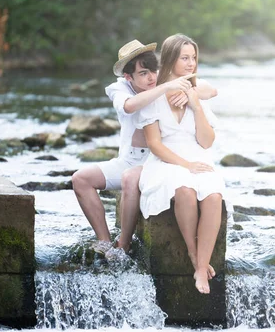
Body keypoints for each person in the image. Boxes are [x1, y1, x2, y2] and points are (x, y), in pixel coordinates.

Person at [72, 39, 217, 255]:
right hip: (130, 158)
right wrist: (165, 88)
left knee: (130, 178)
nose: (151, 78)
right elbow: (129, 106)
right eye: (142, 74)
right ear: (128, 77)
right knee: (80, 179)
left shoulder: (164, 79)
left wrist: (187, 93)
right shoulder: (119, 88)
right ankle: (104, 242)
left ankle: (124, 244)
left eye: (152, 71)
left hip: (157, 159)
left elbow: (210, 89)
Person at [133, 33, 232, 294]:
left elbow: (207, 141)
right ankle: (191, 250)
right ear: (170, 59)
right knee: (184, 190)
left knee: (213, 194)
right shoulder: (154, 96)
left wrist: (196, 105)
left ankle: (201, 267)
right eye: (184, 58)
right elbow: (154, 144)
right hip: (165, 161)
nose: (191, 63)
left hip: (198, 156)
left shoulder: (195, 93)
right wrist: (186, 165)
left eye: (194, 58)